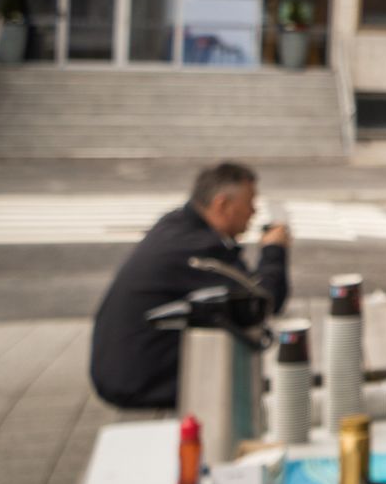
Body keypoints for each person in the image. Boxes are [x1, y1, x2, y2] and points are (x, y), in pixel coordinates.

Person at [90, 162, 290, 409]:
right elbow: (263, 301)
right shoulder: (198, 248)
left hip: (124, 371)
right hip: (141, 383)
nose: (253, 212)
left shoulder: (177, 225)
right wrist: (274, 251)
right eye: (249, 203)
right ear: (222, 204)